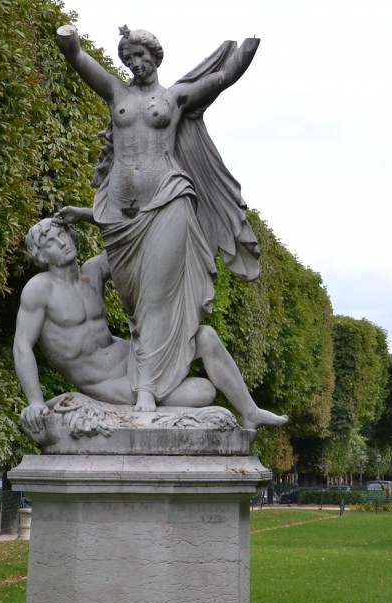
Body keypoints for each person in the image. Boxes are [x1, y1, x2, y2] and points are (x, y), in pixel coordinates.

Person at [56, 24, 261, 412]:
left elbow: (222, 79)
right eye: (129, 58)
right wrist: (69, 42)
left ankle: (147, 388)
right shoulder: (116, 92)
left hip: (169, 201)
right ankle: (153, 379)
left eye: (141, 55)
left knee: (155, 297)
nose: (136, 63)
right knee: (134, 304)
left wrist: (248, 48)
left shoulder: (176, 97)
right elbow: (78, 58)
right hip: (120, 218)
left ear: (155, 55)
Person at [13, 216, 286, 432]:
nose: (61, 242)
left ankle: (250, 412)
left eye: (62, 233)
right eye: (50, 242)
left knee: (205, 335)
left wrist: (87, 216)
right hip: (109, 383)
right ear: (41, 256)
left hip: (137, 359)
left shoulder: (92, 272)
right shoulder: (40, 289)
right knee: (204, 391)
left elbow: (134, 237)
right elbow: (23, 346)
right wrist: (35, 402)